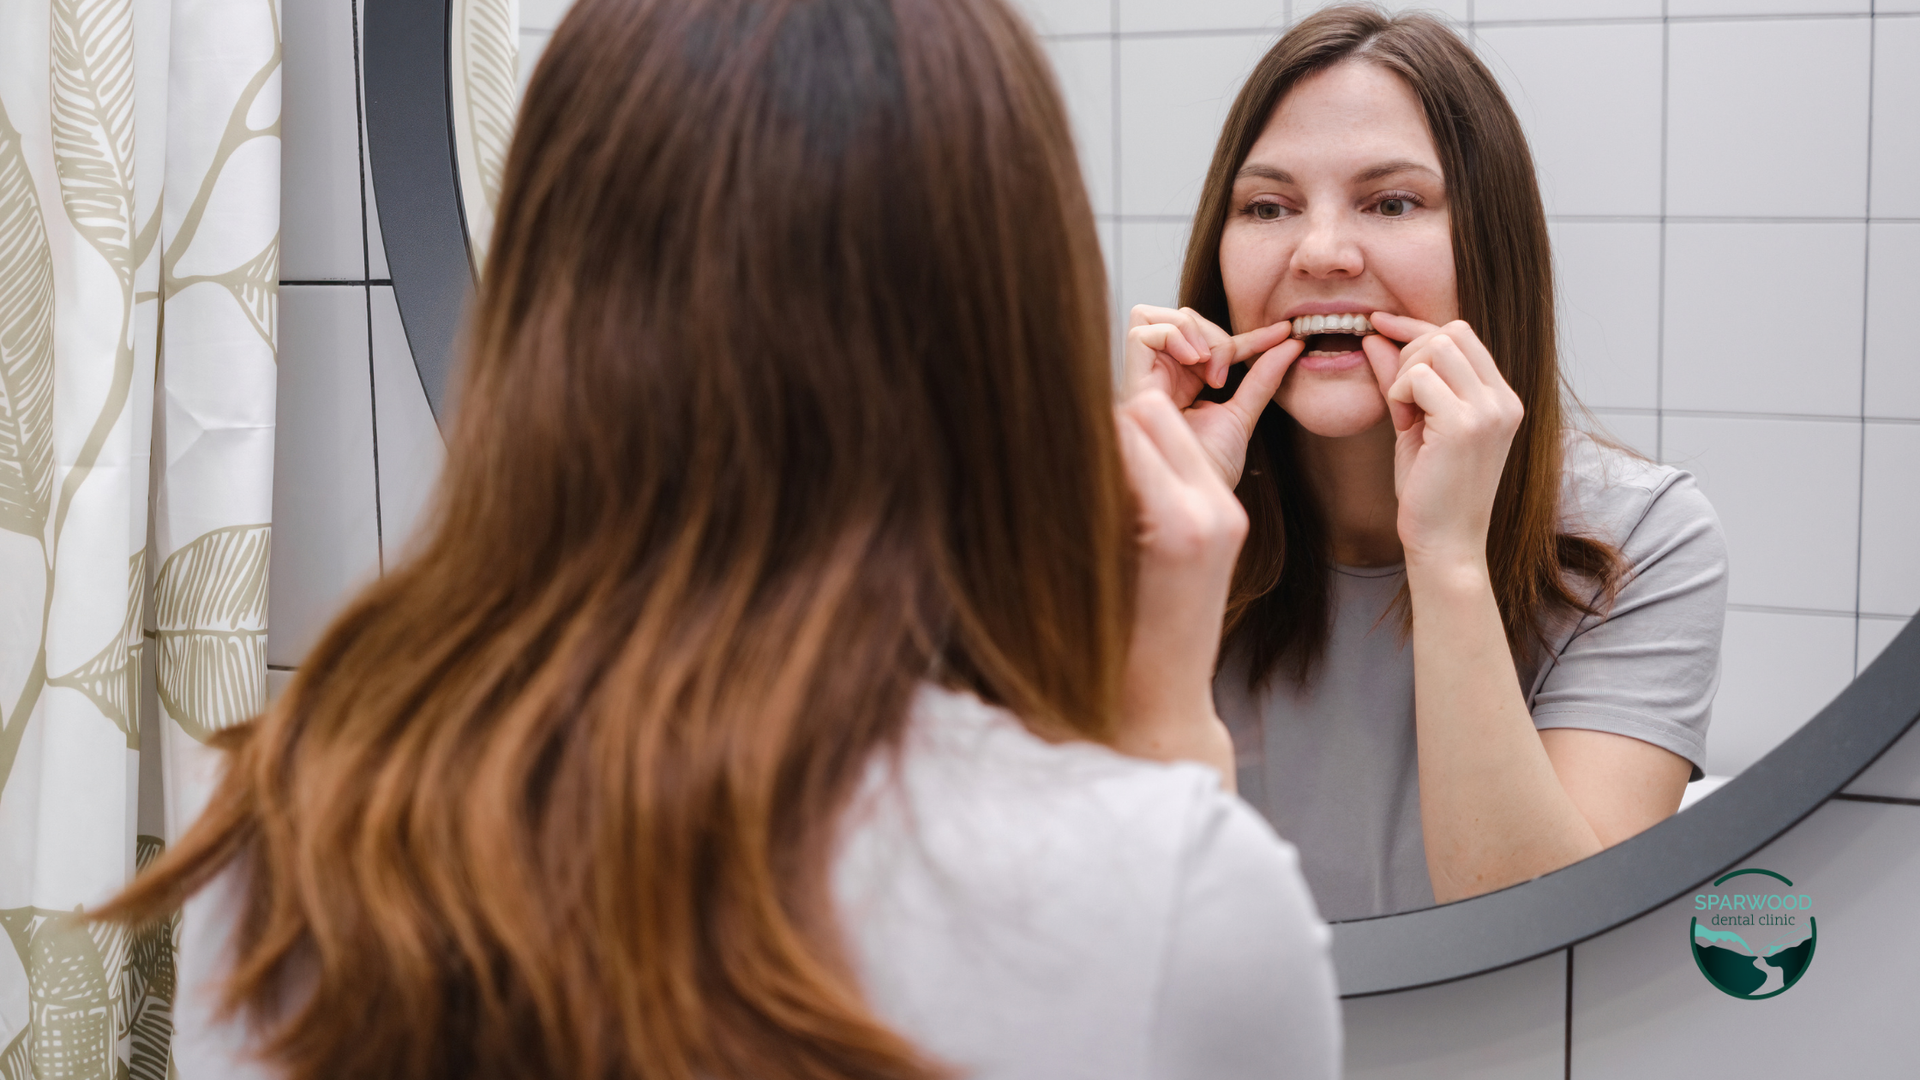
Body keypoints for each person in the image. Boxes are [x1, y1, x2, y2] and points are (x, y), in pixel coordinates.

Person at [101, 0, 1341, 1077]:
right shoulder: (1172, 899)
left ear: (543, 308)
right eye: (1273, 205)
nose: (1325, 255)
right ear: (1013, 346)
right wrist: (1167, 746)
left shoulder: (289, 831)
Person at [1125, 4, 1728, 920]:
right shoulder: (1140, 514)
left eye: (1392, 202)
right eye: (1268, 207)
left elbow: (1555, 942)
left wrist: (1445, 555)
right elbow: (1043, 888)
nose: (1321, 253)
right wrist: (1136, 549)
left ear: (1490, 245)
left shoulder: (1646, 538)